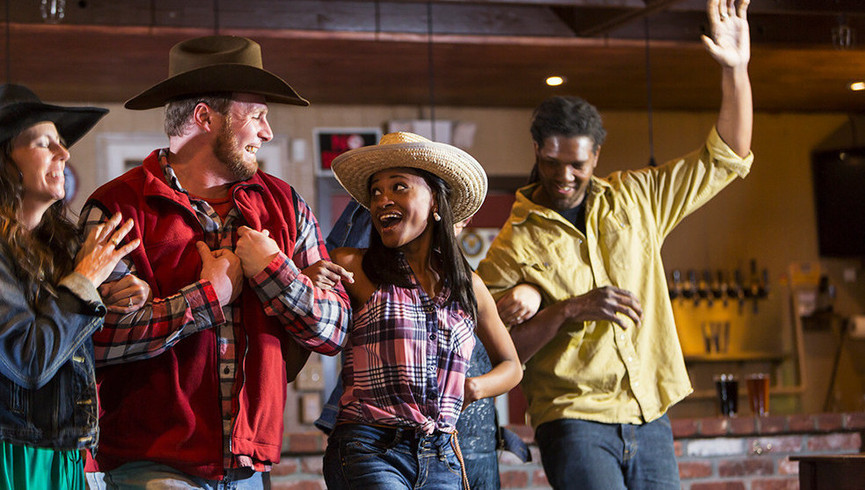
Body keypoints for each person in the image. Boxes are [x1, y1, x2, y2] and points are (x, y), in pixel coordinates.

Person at [475, 0, 754, 488]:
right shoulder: (513, 243)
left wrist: (736, 70)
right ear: (537, 151)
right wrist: (565, 309)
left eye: (577, 165)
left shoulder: (637, 199)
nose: (564, 176)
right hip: (573, 420)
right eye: (552, 162)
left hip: (650, 414)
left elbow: (726, 156)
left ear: (596, 155)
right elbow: (495, 353)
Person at [79, 35, 353, 488]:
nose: (267, 132)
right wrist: (207, 297)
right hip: (152, 468)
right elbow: (92, 341)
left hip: (250, 469)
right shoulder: (116, 208)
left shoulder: (287, 205)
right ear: (205, 117)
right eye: (257, 115)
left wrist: (275, 272)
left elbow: (335, 331)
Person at [322, 131, 523, 489]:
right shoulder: (352, 266)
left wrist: (475, 387)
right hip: (370, 446)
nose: (382, 199)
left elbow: (512, 366)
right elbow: (302, 317)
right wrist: (308, 276)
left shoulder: (467, 285)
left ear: (434, 202)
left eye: (399, 187)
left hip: (442, 452)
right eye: (376, 192)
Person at [0, 84, 146, 489]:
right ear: (4, 159)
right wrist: (85, 282)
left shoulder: (61, 245)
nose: (63, 153)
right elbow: (28, 361)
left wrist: (130, 293)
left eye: (61, 143)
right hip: (14, 454)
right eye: (43, 143)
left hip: (65, 451)